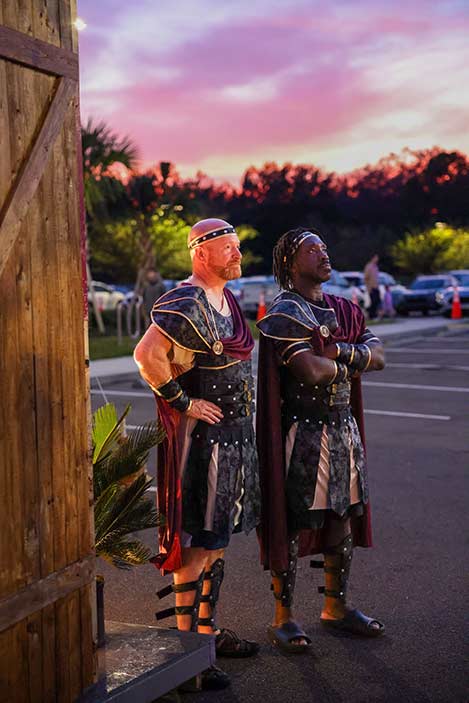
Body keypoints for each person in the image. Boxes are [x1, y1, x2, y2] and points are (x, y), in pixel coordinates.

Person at [134, 219, 261, 690]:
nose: (237, 254)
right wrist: (185, 402)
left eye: (237, 246)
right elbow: (147, 355)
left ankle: (207, 636)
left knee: (217, 539)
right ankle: (187, 653)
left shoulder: (226, 300)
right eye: (228, 248)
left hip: (235, 436)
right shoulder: (185, 301)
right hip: (204, 442)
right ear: (200, 253)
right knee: (197, 541)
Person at [256, 227, 386, 653]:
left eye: (325, 248)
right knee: (296, 519)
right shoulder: (284, 313)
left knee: (343, 514)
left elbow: (380, 357)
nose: (324, 254)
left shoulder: (345, 309)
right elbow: (309, 371)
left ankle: (336, 607)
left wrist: (342, 353)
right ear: (290, 263)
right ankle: (283, 617)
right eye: (313, 250)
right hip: (303, 431)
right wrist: (355, 359)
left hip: (343, 428)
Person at [364, 254, 381, 319]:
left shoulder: (376, 267)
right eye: (376, 257)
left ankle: (374, 315)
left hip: (376, 287)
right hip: (371, 287)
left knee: (377, 301)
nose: (377, 259)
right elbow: (366, 278)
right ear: (372, 258)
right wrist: (368, 288)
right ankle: (371, 316)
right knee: (373, 301)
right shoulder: (369, 266)